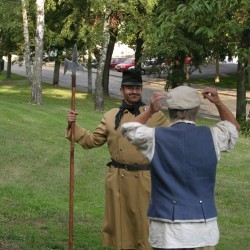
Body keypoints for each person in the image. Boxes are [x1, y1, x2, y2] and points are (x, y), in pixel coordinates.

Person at [121, 86, 240, 250]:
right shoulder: (213, 136)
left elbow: (127, 128)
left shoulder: (154, 137)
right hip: (203, 230)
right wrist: (218, 102)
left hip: (166, 230)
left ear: (169, 109)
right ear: (197, 109)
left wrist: (150, 112)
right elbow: (233, 128)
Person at [66, 70, 169, 250]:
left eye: (137, 87)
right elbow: (92, 141)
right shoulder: (111, 116)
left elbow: (173, 140)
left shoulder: (155, 116)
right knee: (121, 224)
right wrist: (73, 126)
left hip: (145, 179)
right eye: (130, 88)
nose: (134, 91)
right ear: (122, 90)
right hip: (117, 178)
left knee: (144, 223)